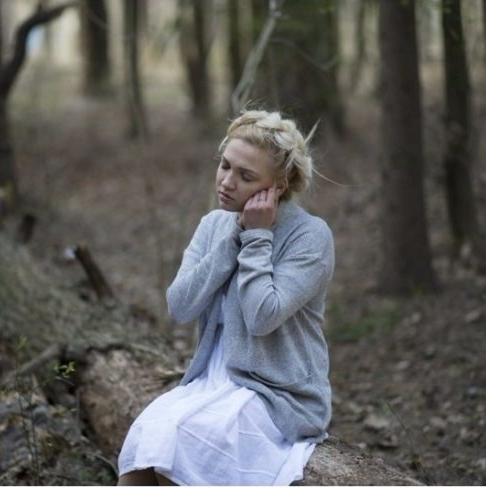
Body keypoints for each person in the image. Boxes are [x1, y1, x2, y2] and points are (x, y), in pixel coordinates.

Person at [116, 110, 335, 486]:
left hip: (276, 393)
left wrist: (256, 238)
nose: (227, 182)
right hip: (210, 382)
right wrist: (233, 236)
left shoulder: (310, 237)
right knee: (144, 442)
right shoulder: (214, 224)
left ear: (277, 186)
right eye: (225, 166)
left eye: (246, 176)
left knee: (186, 445)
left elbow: (261, 316)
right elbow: (180, 307)